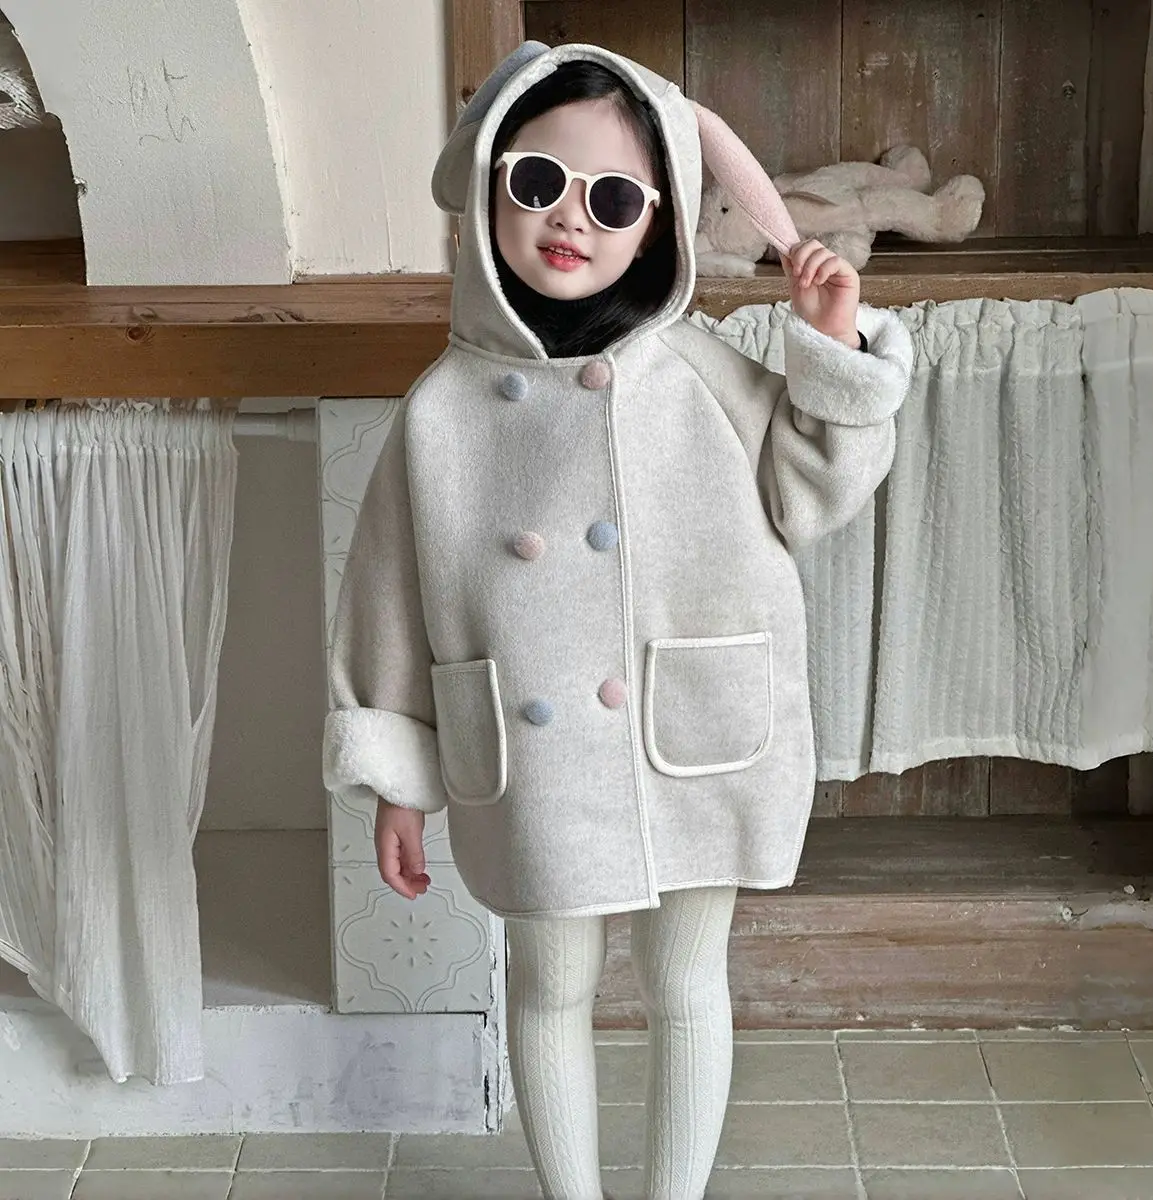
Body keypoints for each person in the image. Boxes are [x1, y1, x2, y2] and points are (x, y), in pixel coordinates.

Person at [323, 40, 912, 1200]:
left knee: (688, 980)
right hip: (533, 756)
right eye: (540, 181)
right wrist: (399, 777)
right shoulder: (442, 411)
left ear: (656, 228)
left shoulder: (697, 374)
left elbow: (814, 493)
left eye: (613, 200)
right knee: (550, 979)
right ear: (490, 183)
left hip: (689, 731)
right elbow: (387, 595)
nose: (569, 219)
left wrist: (833, 349)